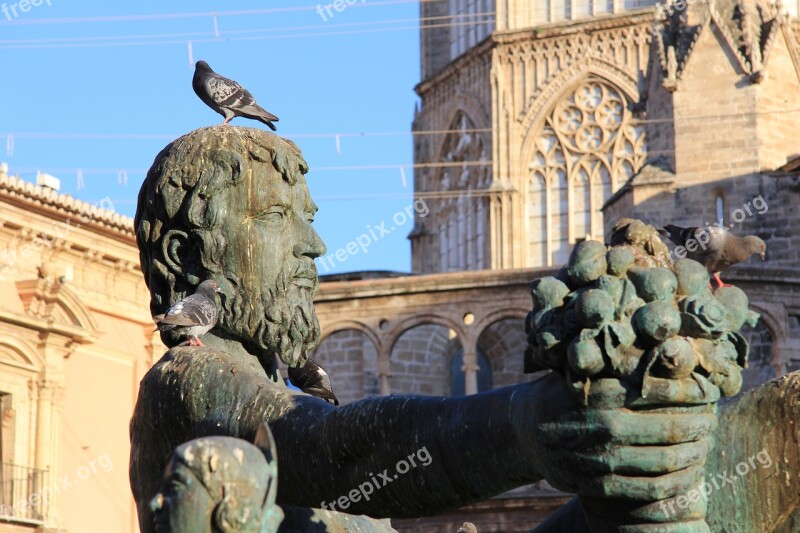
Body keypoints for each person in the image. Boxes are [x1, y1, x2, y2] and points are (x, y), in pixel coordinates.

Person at [131, 127, 797, 532]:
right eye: (279, 217)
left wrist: (622, 473)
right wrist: (530, 424)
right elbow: (340, 449)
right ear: (187, 258)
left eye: (310, 217)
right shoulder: (189, 384)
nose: (315, 243)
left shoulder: (279, 394)